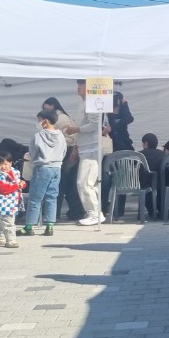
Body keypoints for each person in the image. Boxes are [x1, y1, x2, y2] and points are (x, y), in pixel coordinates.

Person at [62, 80, 105, 226]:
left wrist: (76, 130)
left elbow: (95, 125)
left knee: (85, 182)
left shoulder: (93, 102)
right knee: (87, 183)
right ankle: (95, 212)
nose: (78, 87)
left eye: (82, 84)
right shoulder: (83, 104)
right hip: (84, 147)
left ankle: (95, 213)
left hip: (92, 147)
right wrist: (76, 147)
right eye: (78, 84)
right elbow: (83, 125)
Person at [22, 109, 66, 237]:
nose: (38, 122)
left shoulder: (38, 136)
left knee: (35, 198)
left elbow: (33, 153)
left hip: (42, 168)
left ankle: (29, 227)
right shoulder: (61, 135)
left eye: (39, 120)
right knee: (52, 197)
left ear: (45, 121)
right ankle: (50, 226)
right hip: (56, 168)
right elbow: (64, 152)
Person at [44, 97, 85, 222]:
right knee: (69, 184)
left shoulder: (60, 119)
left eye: (46, 107)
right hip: (68, 151)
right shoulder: (61, 117)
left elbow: (71, 136)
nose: (45, 110)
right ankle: (76, 212)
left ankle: (55, 213)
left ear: (52, 106)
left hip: (67, 152)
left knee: (60, 184)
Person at [0, 151, 26, 249]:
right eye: (0, 164)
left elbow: (19, 182)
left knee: (3, 221)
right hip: (2, 204)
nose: (3, 167)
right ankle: (11, 240)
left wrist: (22, 184)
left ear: (11, 163)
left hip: (13, 202)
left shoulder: (15, 172)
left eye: (6, 164)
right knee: (8, 222)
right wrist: (17, 186)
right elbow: (3, 189)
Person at [139, 133, 165, 219]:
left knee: (146, 191)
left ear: (146, 143)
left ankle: (151, 211)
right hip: (159, 183)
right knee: (160, 189)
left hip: (143, 183)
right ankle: (161, 210)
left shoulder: (139, 154)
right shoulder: (162, 154)